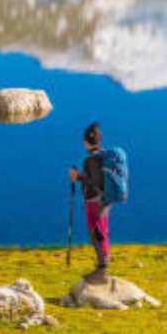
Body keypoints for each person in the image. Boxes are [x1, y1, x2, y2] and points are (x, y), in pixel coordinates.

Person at [69, 121, 110, 283]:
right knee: (102, 232)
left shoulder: (90, 160)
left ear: (85, 141)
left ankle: (102, 271)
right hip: (105, 199)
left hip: (94, 201)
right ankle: (103, 265)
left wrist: (76, 176)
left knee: (96, 234)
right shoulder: (104, 156)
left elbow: (93, 181)